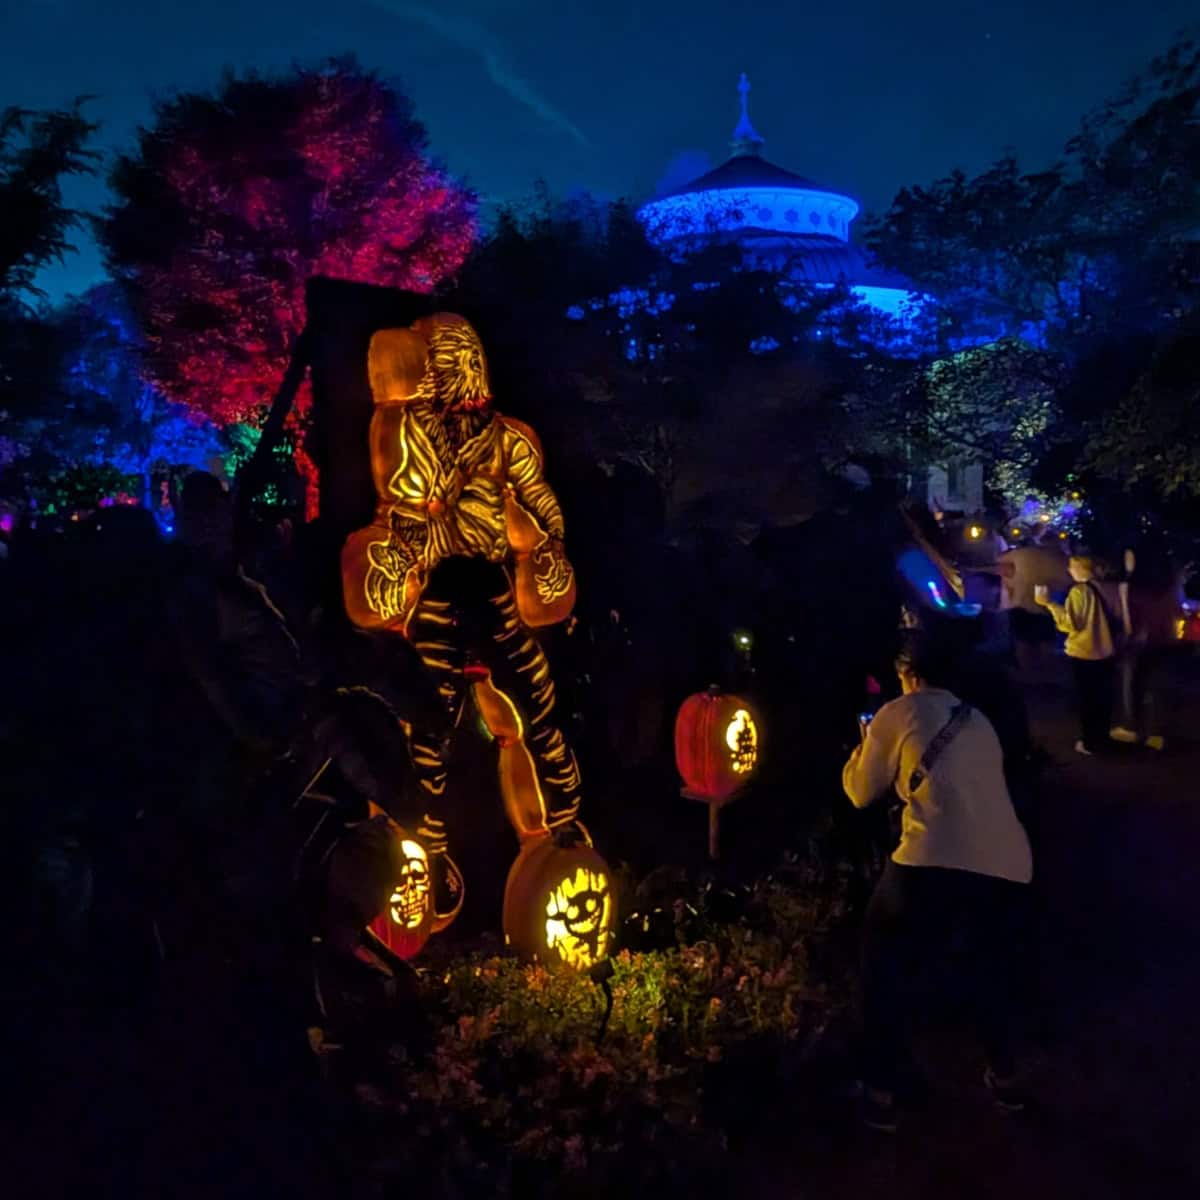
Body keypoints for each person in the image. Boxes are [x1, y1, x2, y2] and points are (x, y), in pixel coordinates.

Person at [842, 633, 1033, 1133]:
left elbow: (862, 793)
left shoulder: (898, 711)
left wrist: (861, 748)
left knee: (881, 962)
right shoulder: (978, 720)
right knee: (983, 968)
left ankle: (881, 1091)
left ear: (908, 672)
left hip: (930, 858)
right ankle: (1007, 1076)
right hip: (1007, 862)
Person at [1034, 554, 1120, 755]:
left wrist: (1048, 604)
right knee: (1103, 699)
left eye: (1072, 566)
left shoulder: (1079, 591)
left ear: (1082, 568)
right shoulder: (1107, 587)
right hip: (1107, 651)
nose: (1069, 570)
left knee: (1087, 700)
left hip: (1085, 652)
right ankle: (1103, 737)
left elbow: (1071, 624)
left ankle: (1090, 743)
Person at [1110, 548, 1181, 751]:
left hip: (1138, 641)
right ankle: (1156, 733)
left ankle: (1131, 727)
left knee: (1130, 684)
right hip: (1164, 639)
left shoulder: (1129, 585)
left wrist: (1124, 636)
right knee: (1157, 685)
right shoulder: (1169, 584)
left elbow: (1127, 618)